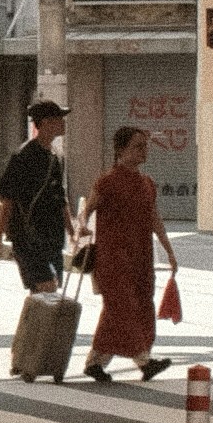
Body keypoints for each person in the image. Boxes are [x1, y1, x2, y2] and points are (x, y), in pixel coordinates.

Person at [82, 119, 172, 382]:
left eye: (145, 146)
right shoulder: (107, 182)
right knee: (123, 307)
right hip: (112, 257)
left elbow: (155, 218)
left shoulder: (147, 184)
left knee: (137, 306)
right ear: (120, 150)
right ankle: (145, 362)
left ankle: (95, 362)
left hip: (141, 257)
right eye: (137, 146)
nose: (143, 151)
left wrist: (169, 250)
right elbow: (87, 210)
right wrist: (81, 229)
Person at [0, 96, 73, 300]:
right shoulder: (23, 156)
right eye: (59, 119)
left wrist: (71, 230)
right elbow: (7, 199)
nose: (63, 123)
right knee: (46, 288)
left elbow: (59, 196)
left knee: (46, 294)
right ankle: (34, 330)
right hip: (28, 235)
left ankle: (36, 330)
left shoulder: (55, 156)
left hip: (52, 236)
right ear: (45, 123)